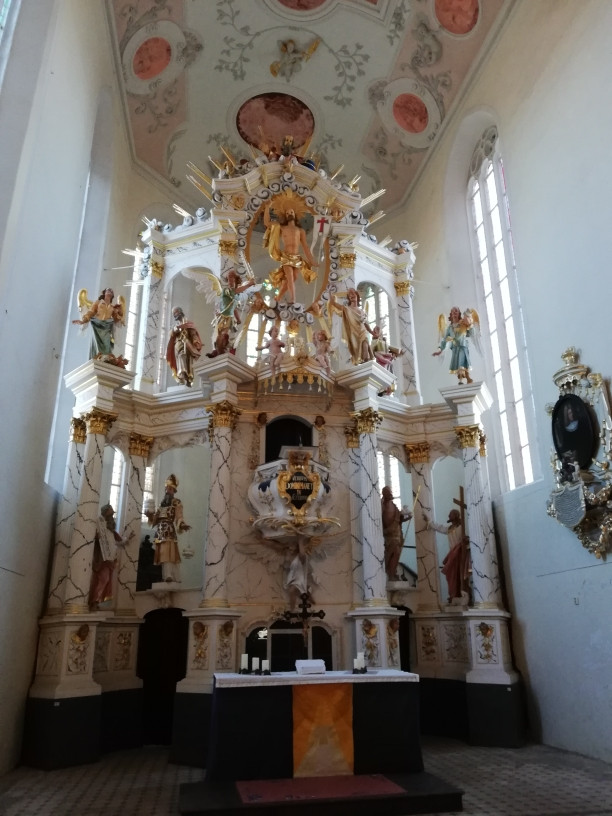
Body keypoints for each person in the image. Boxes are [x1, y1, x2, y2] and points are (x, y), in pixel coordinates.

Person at [263, 202, 317, 303]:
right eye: (287, 213)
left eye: (291, 212)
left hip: (297, 258)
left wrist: (312, 260)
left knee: (293, 278)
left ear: (295, 214)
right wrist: (267, 207)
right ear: (285, 216)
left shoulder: (300, 230)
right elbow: (267, 223)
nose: (289, 214)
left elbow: (305, 247)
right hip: (286, 256)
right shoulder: (282, 228)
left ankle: (278, 297)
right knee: (290, 277)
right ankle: (293, 299)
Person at [145, 474, 191, 583]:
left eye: (170, 489)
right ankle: (167, 576)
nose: (167, 490)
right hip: (160, 532)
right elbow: (155, 520)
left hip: (169, 531)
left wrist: (182, 525)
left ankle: (171, 576)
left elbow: (179, 516)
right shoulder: (162, 505)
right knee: (162, 554)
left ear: (174, 491)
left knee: (170, 554)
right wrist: (149, 516)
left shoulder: (176, 502)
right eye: (166, 488)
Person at [89, 504, 134, 609]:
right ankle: (94, 600)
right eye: (110, 514)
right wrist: (96, 537)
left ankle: (97, 601)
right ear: (105, 513)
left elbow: (120, 542)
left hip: (110, 558)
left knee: (107, 580)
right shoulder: (99, 525)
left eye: (112, 514)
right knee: (103, 579)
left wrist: (128, 538)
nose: (112, 517)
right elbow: (93, 536)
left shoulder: (111, 531)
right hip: (102, 557)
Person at [425, 508, 470, 603]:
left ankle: (460, 593)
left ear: (456, 516)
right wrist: (429, 521)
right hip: (452, 554)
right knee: (450, 574)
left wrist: (464, 542)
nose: (449, 516)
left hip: (460, 554)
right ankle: (453, 594)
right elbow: (440, 527)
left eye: (451, 514)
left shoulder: (462, 528)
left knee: (459, 574)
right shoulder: (450, 528)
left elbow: (466, 539)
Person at [73, 287, 125, 359]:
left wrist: (120, 313)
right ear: (104, 293)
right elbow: (91, 312)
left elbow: (116, 319)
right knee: (96, 344)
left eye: (111, 291)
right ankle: (97, 358)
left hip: (106, 328)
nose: (109, 291)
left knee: (107, 345)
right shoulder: (98, 302)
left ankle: (105, 359)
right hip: (97, 326)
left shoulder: (112, 307)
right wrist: (83, 321)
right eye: (108, 290)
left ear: (112, 295)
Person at [433, 306, 478, 384]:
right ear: (451, 314)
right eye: (453, 312)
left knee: (462, 363)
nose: (454, 313)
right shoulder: (449, 328)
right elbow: (444, 340)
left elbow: (471, 334)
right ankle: (465, 378)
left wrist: (470, 325)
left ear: (459, 313)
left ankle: (463, 379)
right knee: (459, 364)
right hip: (455, 349)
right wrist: (440, 350)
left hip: (463, 347)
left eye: (456, 311)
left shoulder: (463, 324)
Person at [330, 288, 374, 365]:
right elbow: (334, 304)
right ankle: (360, 362)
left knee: (365, 346)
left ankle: (366, 362)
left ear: (357, 295)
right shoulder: (347, 309)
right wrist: (331, 295)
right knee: (356, 351)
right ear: (349, 298)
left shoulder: (362, 311)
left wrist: (372, 332)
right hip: (353, 334)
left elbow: (366, 323)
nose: (351, 295)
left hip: (363, 332)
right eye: (349, 295)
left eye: (353, 293)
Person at [166, 307, 203, 387]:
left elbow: (193, 334)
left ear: (180, 312)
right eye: (173, 314)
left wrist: (195, 341)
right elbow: (170, 334)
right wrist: (174, 330)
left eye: (175, 313)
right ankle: (181, 375)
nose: (175, 315)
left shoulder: (188, 323)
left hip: (187, 344)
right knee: (180, 357)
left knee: (187, 359)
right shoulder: (175, 326)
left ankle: (188, 377)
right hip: (178, 344)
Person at [381, 486, 412, 580]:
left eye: (391, 492)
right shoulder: (382, 505)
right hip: (389, 535)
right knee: (392, 552)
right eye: (389, 492)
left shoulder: (394, 505)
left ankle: (392, 572)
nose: (391, 493)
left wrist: (407, 518)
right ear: (384, 494)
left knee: (397, 553)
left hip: (397, 533)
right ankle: (389, 572)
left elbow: (399, 519)